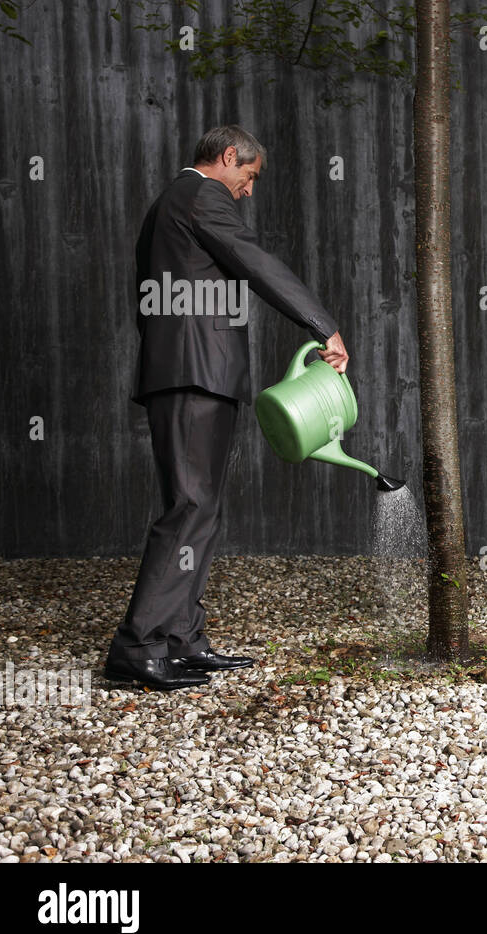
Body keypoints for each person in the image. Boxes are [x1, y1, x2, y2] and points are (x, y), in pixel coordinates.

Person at [105, 124, 349, 691]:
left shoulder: (172, 205)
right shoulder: (200, 195)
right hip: (193, 373)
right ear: (228, 156)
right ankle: (136, 647)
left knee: (202, 508)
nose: (248, 188)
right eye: (249, 175)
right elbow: (253, 261)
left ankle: (182, 639)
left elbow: (149, 295)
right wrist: (323, 324)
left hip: (191, 371)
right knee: (191, 504)